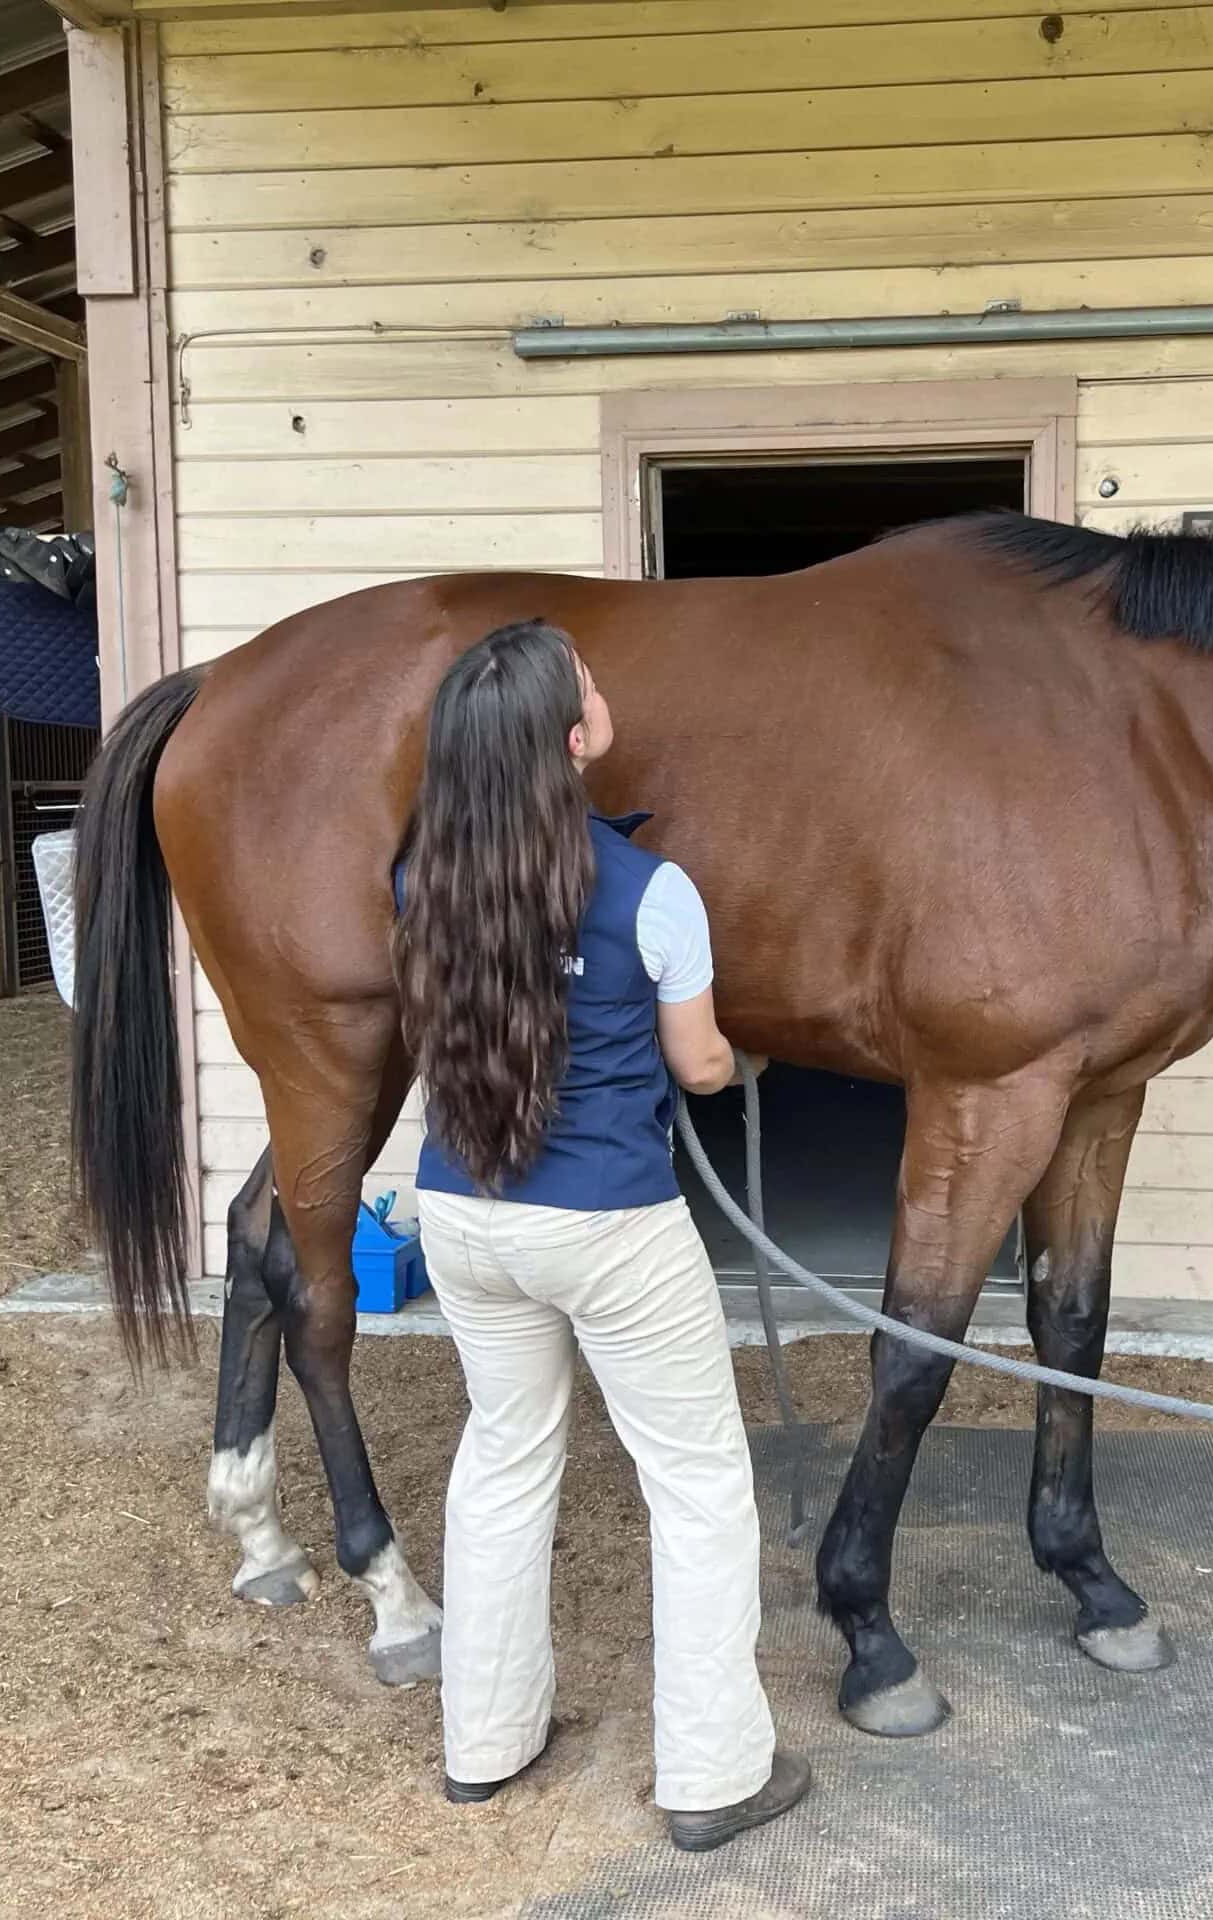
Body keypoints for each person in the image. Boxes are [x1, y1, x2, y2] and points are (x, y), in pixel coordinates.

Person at [393, 619, 812, 1854]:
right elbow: (698, 1064)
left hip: (464, 1214)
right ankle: (711, 1773)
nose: (602, 687)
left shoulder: (422, 875)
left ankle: (485, 1742)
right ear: (572, 742)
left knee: (505, 1460)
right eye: (589, 682)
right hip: (611, 1227)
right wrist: (745, 1055)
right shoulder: (649, 890)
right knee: (694, 1483)